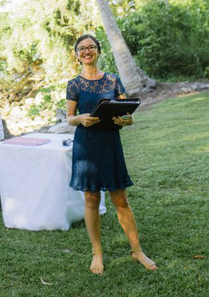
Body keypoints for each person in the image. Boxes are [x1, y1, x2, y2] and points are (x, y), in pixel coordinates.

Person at [66, 33, 157, 275]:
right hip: (86, 146)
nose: (87, 51)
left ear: (98, 51)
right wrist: (79, 118)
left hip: (110, 143)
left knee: (121, 200)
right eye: (82, 48)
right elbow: (69, 118)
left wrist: (127, 120)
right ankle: (97, 253)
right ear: (77, 55)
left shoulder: (113, 80)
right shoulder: (74, 85)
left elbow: (127, 112)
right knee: (91, 200)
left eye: (91, 47)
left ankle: (137, 250)